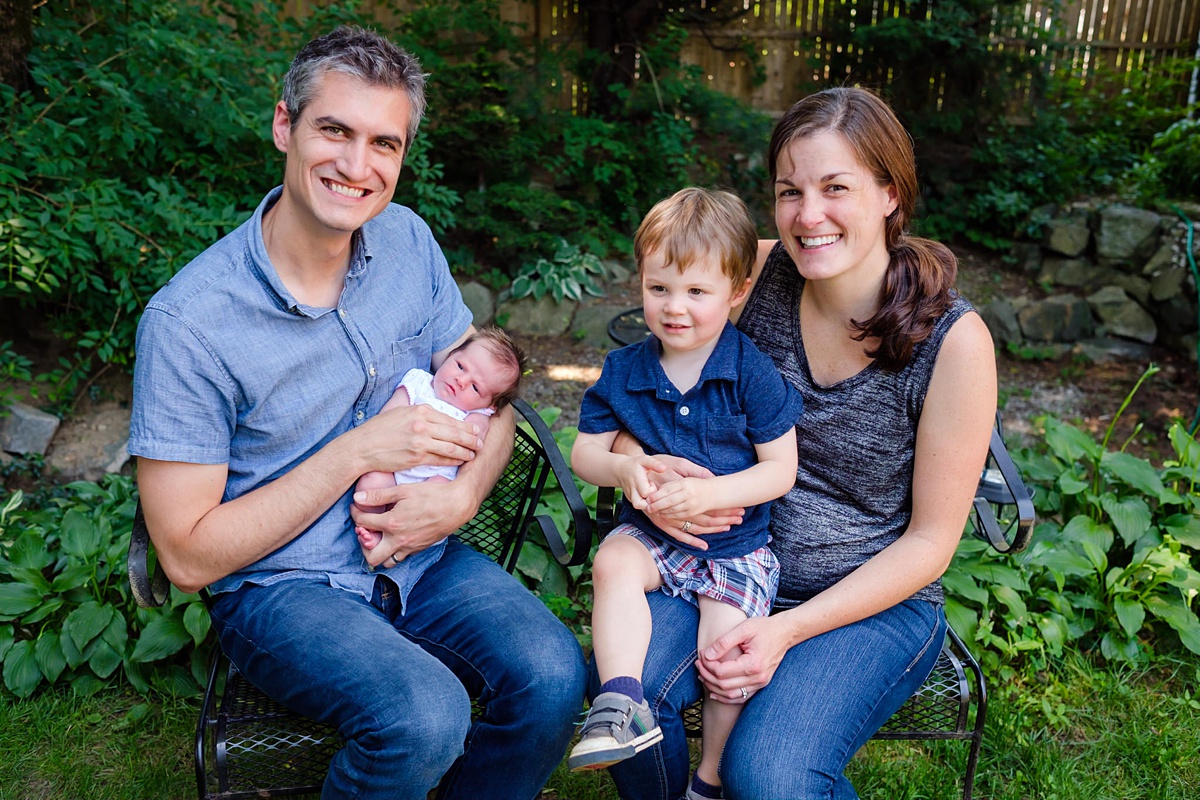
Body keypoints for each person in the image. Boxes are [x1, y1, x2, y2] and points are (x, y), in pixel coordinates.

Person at [128, 26, 585, 800]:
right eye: (334, 130)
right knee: (425, 714)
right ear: (285, 125)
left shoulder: (408, 243)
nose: (357, 165)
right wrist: (357, 452)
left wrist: (462, 497)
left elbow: (495, 400)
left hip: (418, 555)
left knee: (554, 674)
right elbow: (188, 558)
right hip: (281, 587)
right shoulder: (190, 324)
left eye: (384, 142)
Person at [592, 87, 998, 799]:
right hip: (720, 563)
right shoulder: (755, 275)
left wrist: (786, 631)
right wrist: (644, 475)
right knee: (623, 699)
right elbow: (652, 388)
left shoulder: (953, 343)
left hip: (866, 606)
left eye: (835, 188)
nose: (809, 216)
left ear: (890, 194)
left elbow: (932, 544)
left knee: (769, 774)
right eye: (790, 191)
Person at [567, 188, 804, 800]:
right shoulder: (625, 369)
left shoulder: (750, 370)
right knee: (612, 560)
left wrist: (712, 494)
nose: (675, 307)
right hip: (653, 539)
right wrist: (625, 471)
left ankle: (711, 776)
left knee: (725, 663)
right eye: (659, 288)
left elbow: (780, 470)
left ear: (737, 292)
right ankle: (621, 703)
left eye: (697, 292)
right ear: (641, 283)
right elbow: (585, 451)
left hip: (734, 546)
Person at [353, 326, 529, 551]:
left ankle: (400, 539)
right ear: (450, 355)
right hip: (394, 469)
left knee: (441, 490)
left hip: (431, 483)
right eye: (460, 366)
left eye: (476, 387)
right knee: (373, 482)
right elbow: (388, 417)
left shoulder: (477, 414)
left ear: (490, 405)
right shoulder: (419, 383)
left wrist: (480, 421)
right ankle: (373, 530)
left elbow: (477, 440)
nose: (461, 380)